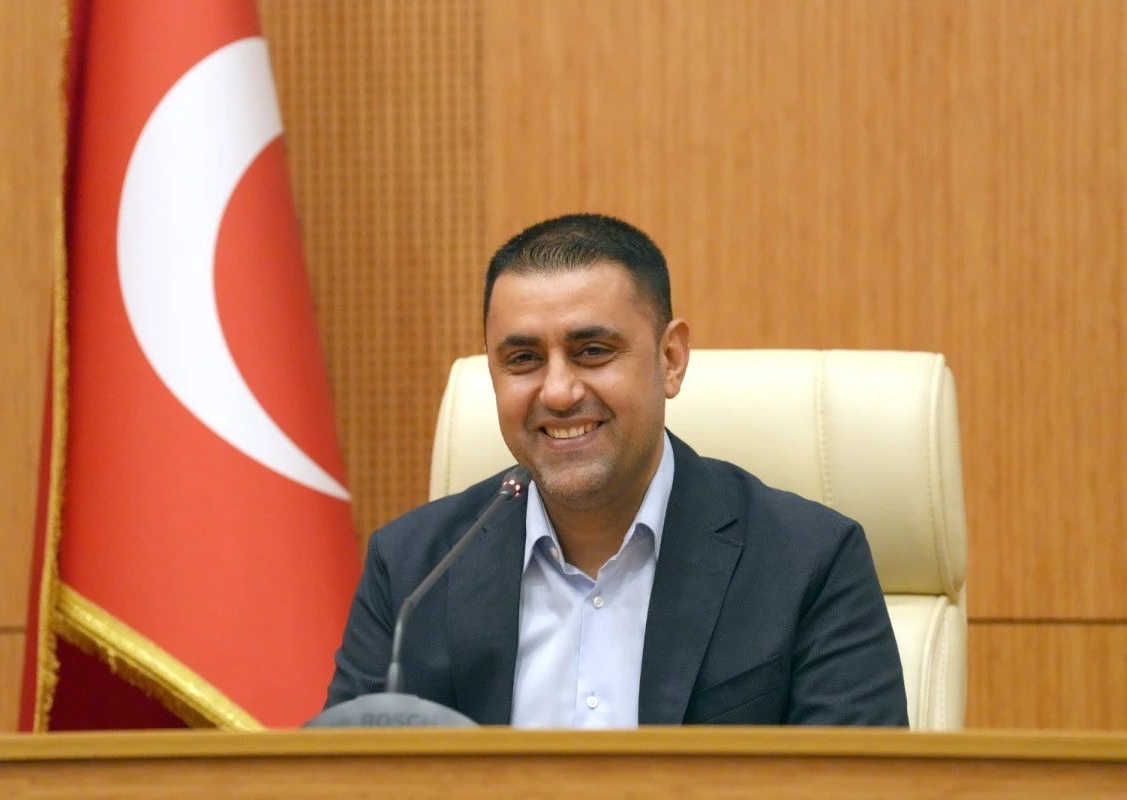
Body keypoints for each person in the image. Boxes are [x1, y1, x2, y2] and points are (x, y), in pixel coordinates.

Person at [325, 213, 908, 727]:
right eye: (523, 359)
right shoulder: (413, 573)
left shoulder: (809, 562)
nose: (558, 392)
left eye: (593, 352)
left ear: (670, 359)